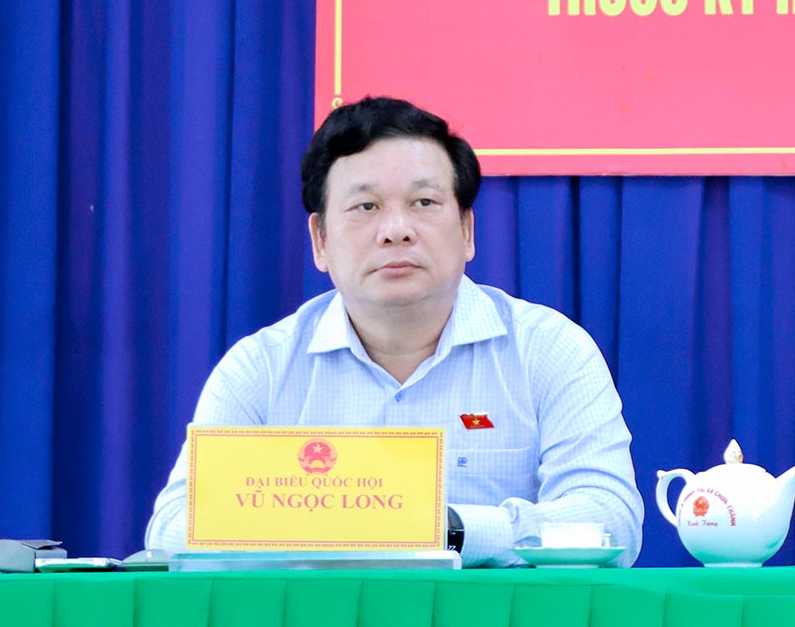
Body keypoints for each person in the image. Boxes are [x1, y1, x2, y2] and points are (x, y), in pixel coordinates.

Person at [146, 97, 643, 566]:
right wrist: (356, 521)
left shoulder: (549, 349)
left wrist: (449, 529)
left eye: (424, 202)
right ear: (320, 240)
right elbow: (172, 532)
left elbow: (611, 524)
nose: (396, 229)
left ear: (467, 230)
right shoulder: (262, 368)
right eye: (366, 208)